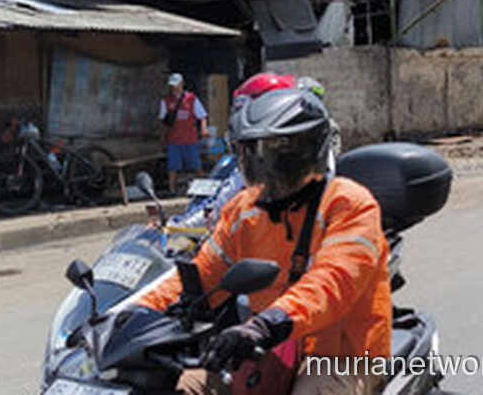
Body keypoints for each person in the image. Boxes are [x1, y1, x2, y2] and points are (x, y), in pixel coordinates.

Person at [141, 89, 390, 395]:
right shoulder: (244, 209)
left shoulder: (349, 204)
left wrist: (265, 325)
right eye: (255, 151)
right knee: (177, 387)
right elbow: (202, 275)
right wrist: (136, 312)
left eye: (277, 152)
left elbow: (332, 283)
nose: (266, 163)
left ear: (307, 151)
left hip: (340, 354)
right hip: (267, 345)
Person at [159, 73, 210, 194]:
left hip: (190, 139)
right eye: (172, 86)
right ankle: (172, 190)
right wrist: (162, 138)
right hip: (174, 140)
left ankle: (206, 188)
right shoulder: (166, 101)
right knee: (173, 167)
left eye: (176, 85)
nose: (174, 88)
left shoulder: (192, 99)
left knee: (196, 165)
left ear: (182, 85)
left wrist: (204, 129)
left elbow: (202, 116)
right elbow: (162, 121)